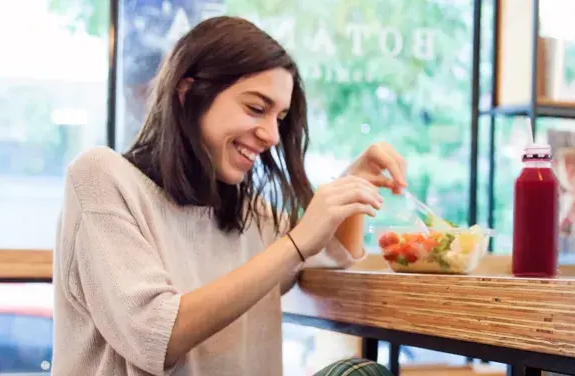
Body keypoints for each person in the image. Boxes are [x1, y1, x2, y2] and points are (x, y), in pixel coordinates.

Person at [52, 16, 407, 376]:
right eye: (256, 108)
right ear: (188, 93)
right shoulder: (101, 178)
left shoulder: (249, 211)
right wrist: (295, 243)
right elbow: (153, 337)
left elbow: (331, 256)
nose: (271, 135)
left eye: (280, 118)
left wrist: (354, 184)